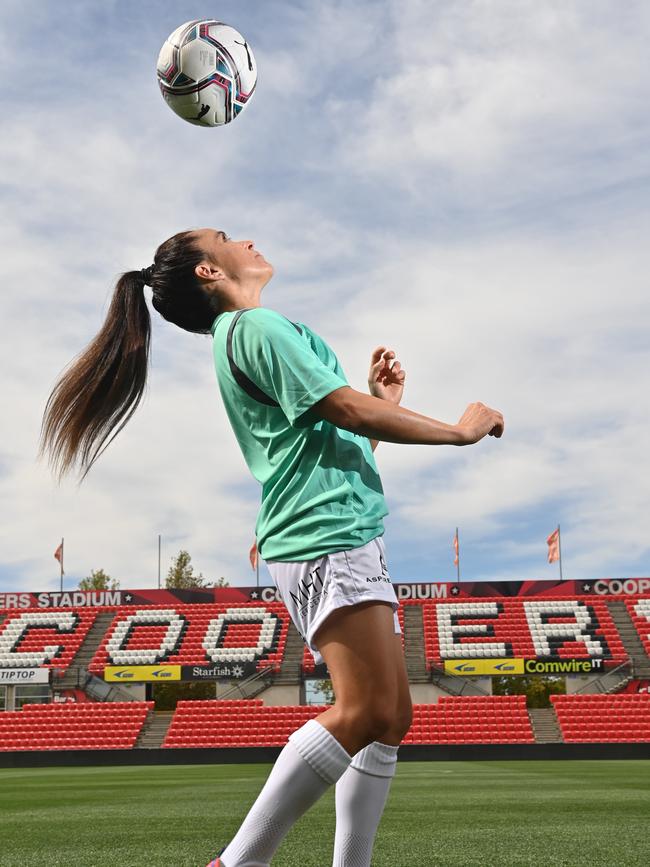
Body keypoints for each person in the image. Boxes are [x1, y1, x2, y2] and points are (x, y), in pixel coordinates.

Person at [39, 229, 504, 867]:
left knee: (391, 718)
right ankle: (238, 862)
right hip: (324, 536)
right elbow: (347, 411)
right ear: (209, 269)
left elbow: (345, 438)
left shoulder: (252, 333)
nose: (248, 240)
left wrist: (382, 404)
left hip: (340, 530)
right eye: (228, 238)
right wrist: (457, 432)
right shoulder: (254, 328)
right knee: (366, 709)